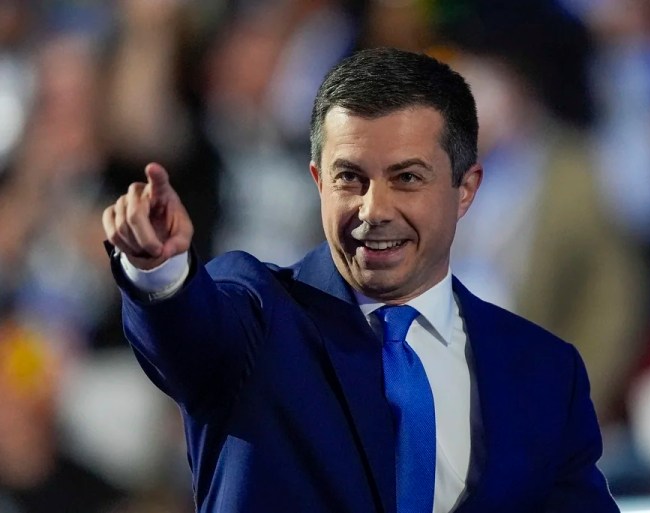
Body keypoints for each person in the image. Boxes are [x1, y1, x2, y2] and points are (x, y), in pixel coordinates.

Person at [102, 47, 618, 513]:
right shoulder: (257, 315)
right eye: (350, 177)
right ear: (318, 181)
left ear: (465, 189)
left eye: (407, 178)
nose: (374, 210)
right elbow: (190, 333)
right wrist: (159, 268)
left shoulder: (545, 372)